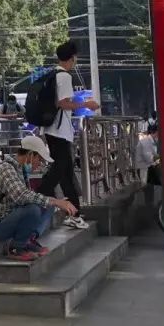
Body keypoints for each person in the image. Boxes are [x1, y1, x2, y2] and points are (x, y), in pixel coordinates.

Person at [0, 136, 78, 261]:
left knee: (48, 206)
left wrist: (53, 202)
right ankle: (17, 248)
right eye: (39, 159)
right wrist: (56, 201)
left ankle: (28, 240)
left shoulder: (21, 171)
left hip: (11, 218)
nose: (39, 164)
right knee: (33, 209)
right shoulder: (6, 169)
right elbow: (22, 196)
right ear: (30, 155)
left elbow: (29, 197)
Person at [38, 41, 99, 230]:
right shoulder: (64, 76)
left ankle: (74, 213)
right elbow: (63, 103)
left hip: (53, 130)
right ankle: (39, 195)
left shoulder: (52, 74)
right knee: (60, 169)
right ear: (72, 58)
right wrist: (86, 105)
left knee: (66, 174)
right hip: (59, 131)